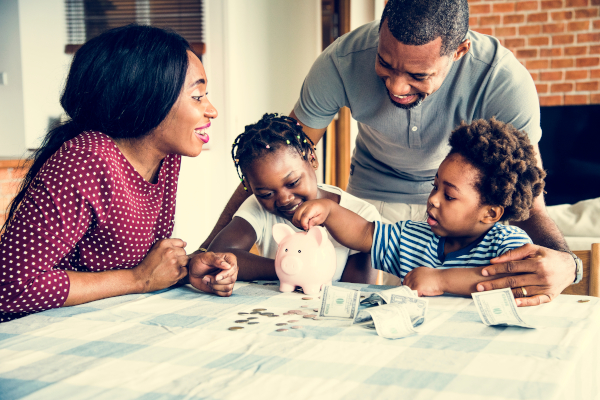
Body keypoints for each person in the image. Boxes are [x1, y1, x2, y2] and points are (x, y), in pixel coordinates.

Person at [200, 0, 580, 306]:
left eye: (418, 75)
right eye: (385, 63)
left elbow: (530, 203)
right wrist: (204, 253)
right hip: (371, 202)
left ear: (460, 50)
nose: (397, 86)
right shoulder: (340, 62)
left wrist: (569, 264)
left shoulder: (503, 81)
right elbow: (278, 155)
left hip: (463, 206)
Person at [0, 25, 238, 323]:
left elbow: (137, 265)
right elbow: (10, 286)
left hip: (103, 321)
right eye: (197, 96)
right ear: (149, 98)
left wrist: (186, 268)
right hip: (31, 334)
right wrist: (138, 280)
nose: (211, 110)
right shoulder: (85, 160)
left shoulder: (166, 158)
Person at [293, 118, 546, 302]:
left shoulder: (508, 245)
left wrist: (440, 280)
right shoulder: (414, 237)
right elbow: (364, 234)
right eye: (434, 186)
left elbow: (516, 280)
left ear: (490, 214)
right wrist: (329, 211)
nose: (433, 199)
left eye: (449, 196)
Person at [194, 113, 379, 283]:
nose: (283, 199)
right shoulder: (258, 206)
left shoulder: (361, 214)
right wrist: (287, 269)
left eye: (293, 182)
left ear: (312, 159)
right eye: (266, 194)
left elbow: (357, 290)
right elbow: (218, 255)